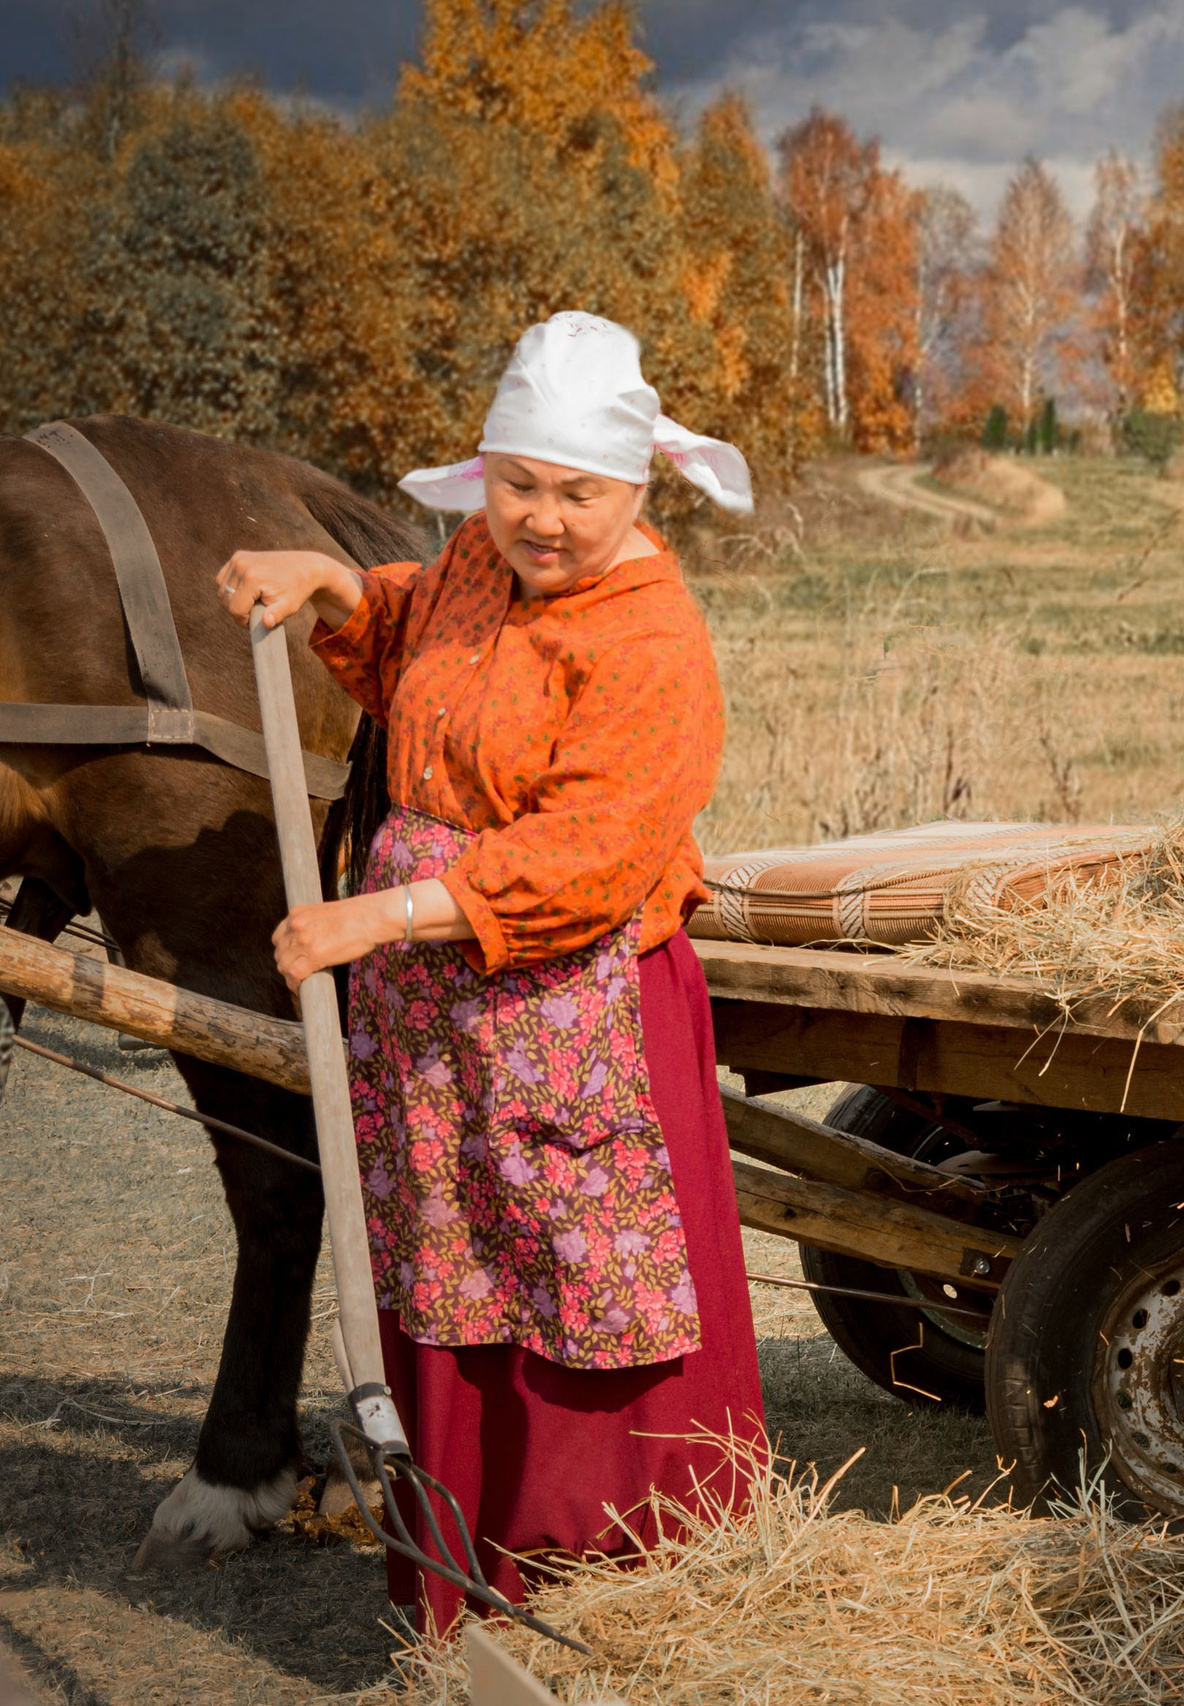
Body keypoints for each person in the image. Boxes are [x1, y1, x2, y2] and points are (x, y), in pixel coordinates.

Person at [215, 311, 764, 1633]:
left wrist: (377, 916)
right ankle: (467, 1597)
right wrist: (333, 583)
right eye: (519, 485)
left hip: (575, 1013)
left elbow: (589, 854)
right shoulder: (477, 557)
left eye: (578, 494)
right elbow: (423, 638)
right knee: (455, 1276)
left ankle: (615, 1610)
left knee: (583, 1297)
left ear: (638, 486)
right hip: (435, 1018)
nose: (543, 520)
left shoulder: (650, 642)